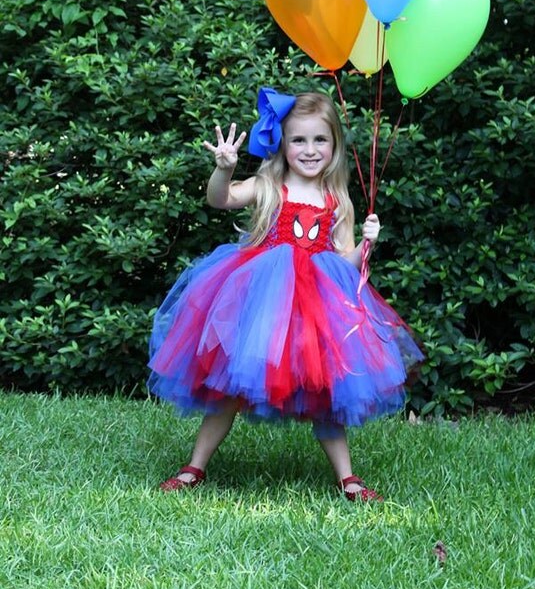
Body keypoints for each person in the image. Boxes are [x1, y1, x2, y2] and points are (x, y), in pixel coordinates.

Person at [148, 88, 422, 502]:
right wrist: (225, 169)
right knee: (230, 385)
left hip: (317, 307)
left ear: (334, 144)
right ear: (282, 144)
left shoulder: (338, 200)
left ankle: (348, 478)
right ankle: (194, 466)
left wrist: (366, 246)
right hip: (263, 302)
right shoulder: (268, 184)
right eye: (299, 140)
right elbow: (220, 199)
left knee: (327, 389)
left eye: (320, 140)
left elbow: (345, 265)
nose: (310, 150)